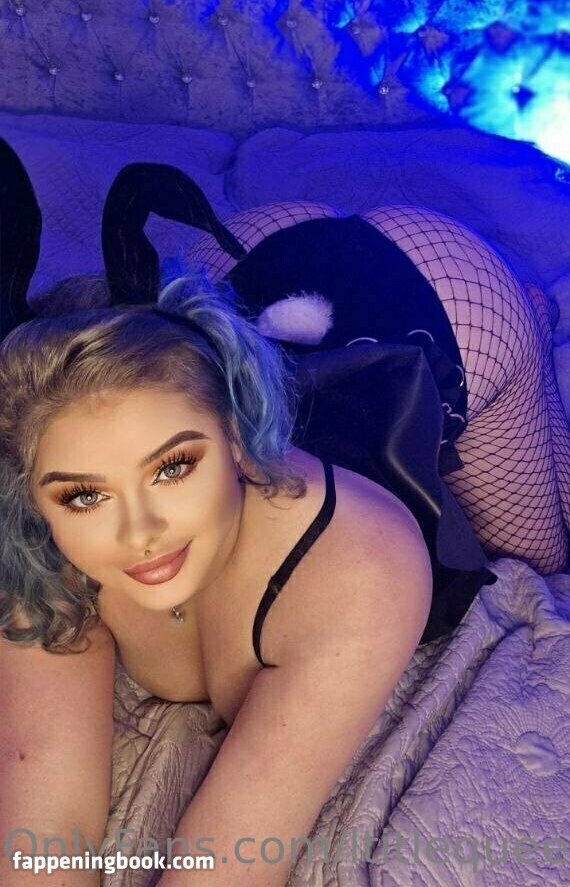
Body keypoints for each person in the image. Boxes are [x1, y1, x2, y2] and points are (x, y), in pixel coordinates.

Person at [0, 266, 433, 887]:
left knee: (535, 537)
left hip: (445, 319)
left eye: (173, 467)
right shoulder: (38, 540)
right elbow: (44, 841)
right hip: (255, 315)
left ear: (233, 435)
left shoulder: (361, 569)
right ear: (32, 498)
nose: (141, 533)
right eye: (85, 497)